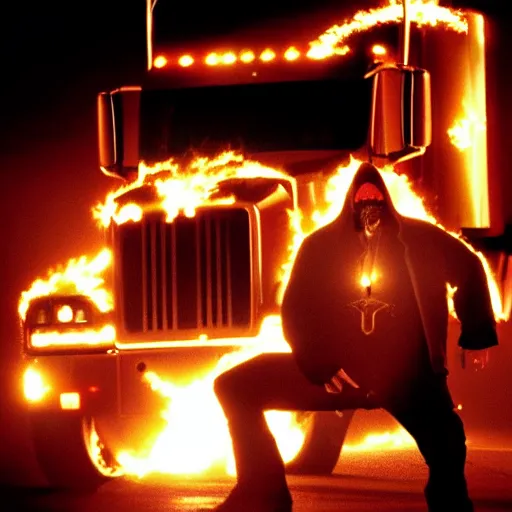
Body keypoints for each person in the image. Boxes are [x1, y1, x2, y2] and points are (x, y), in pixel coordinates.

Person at [211, 162, 498, 512]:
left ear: (388, 201)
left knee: (448, 444)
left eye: (376, 198)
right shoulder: (319, 246)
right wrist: (317, 361)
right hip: (339, 375)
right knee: (235, 385)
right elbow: (296, 309)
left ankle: (450, 505)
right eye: (362, 199)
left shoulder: (421, 239)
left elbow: (468, 267)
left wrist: (477, 333)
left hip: (408, 377)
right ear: (350, 203)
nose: (369, 206)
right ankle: (261, 490)